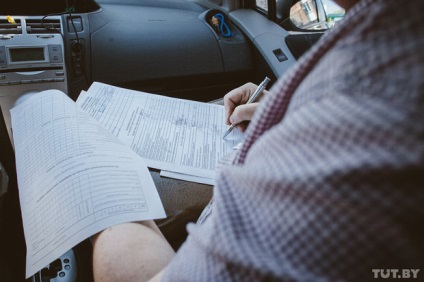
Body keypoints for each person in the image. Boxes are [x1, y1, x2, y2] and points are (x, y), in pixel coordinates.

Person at [92, 0, 424, 281]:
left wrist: (106, 204)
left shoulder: (371, 106)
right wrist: (283, 108)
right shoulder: (384, 35)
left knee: (96, 197)